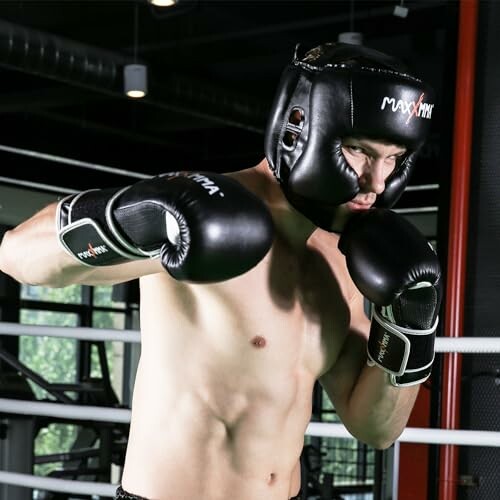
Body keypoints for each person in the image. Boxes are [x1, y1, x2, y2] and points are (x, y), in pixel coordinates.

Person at [0, 42, 441, 500]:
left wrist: (411, 324)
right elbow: (15, 256)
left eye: (393, 159)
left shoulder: (340, 258)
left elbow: (375, 428)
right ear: (300, 128)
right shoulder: (206, 219)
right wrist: (143, 214)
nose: (377, 182)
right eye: (359, 151)